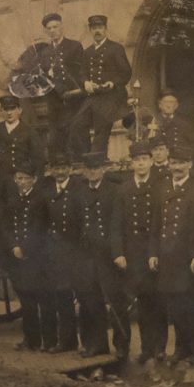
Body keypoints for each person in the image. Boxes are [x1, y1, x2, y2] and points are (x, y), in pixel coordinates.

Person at [148, 146, 194, 366]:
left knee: (191, 304)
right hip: (167, 255)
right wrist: (153, 252)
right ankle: (182, 349)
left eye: (182, 163)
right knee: (175, 306)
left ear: (190, 165)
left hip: (188, 257)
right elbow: (156, 224)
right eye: (174, 163)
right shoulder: (162, 188)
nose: (178, 168)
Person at [74, 151, 131, 361]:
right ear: (83, 171)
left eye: (96, 168)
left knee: (117, 302)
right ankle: (97, 345)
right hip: (87, 256)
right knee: (91, 301)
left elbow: (118, 225)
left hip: (109, 255)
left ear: (103, 169)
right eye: (88, 169)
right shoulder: (79, 192)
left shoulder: (115, 191)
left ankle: (122, 346)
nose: (92, 172)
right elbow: (76, 223)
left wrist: (118, 253)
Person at [16, 12, 85, 160]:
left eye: (56, 26)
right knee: (55, 137)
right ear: (46, 31)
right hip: (54, 100)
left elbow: (81, 72)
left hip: (72, 99)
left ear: (62, 27)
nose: (53, 30)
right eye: (49, 28)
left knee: (75, 135)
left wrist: (77, 90)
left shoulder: (74, 46)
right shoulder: (45, 53)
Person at [125, 138, 169, 363]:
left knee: (159, 301)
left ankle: (160, 347)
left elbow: (162, 221)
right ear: (131, 163)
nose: (141, 164)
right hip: (134, 254)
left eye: (144, 159)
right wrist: (120, 253)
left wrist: (157, 251)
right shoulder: (125, 187)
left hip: (156, 251)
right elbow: (118, 223)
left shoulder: (161, 185)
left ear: (152, 161)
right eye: (136, 160)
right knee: (142, 303)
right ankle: (146, 348)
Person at [2, 165, 53, 352]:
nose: (21, 182)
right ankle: (30, 339)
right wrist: (14, 246)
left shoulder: (40, 200)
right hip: (18, 255)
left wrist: (25, 249)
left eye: (25, 178)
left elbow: (39, 229)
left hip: (36, 255)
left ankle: (47, 340)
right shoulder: (13, 200)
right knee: (25, 298)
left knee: (42, 298)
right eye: (18, 179)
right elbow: (7, 226)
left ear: (34, 179)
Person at [69, 14, 132, 157]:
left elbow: (126, 73)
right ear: (90, 30)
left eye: (100, 27)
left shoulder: (116, 48)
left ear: (105, 29)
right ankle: (86, 158)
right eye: (94, 28)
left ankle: (97, 160)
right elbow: (82, 73)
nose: (97, 31)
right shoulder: (87, 52)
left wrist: (113, 83)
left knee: (101, 127)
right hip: (93, 97)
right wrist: (85, 82)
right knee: (76, 125)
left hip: (112, 96)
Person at [43, 152, 84, 353]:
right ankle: (67, 341)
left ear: (70, 169)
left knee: (84, 296)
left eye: (63, 168)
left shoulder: (78, 189)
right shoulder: (49, 192)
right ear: (51, 171)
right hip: (56, 252)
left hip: (76, 250)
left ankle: (88, 342)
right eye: (56, 169)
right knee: (62, 295)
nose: (60, 172)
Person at [0, 94, 43, 222]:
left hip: (17, 184)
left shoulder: (29, 132)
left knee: (17, 219)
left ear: (19, 110)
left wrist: (34, 185)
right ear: (2, 111)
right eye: (6, 109)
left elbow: (39, 160)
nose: (9, 112)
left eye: (13, 108)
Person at [150, 90, 194, 163]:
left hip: (178, 162)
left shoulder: (184, 123)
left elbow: (193, 144)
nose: (168, 105)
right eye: (165, 102)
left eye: (171, 102)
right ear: (160, 105)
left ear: (176, 105)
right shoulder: (152, 122)